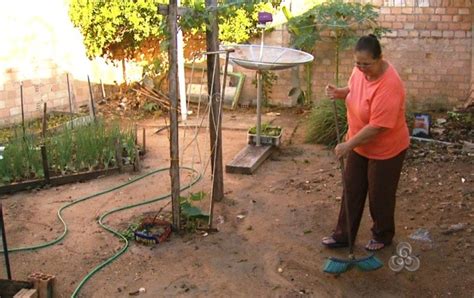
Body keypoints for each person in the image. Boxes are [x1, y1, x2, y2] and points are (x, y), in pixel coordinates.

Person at [321, 34, 410, 251]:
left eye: (366, 64)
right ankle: (343, 235)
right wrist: (340, 93)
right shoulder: (360, 71)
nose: (361, 68)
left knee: (380, 196)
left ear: (380, 58)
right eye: (358, 63)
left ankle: (382, 235)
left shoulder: (390, 85)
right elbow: (354, 90)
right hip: (359, 144)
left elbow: (377, 126)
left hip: (386, 150)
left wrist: (347, 145)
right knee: (351, 189)